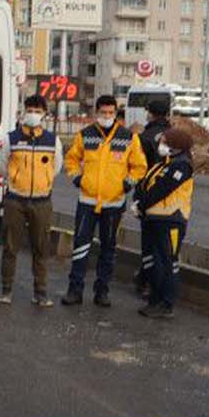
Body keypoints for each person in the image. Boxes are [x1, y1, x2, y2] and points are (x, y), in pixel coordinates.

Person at [62, 94, 148, 308]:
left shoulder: (129, 137)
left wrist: (127, 183)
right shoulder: (85, 135)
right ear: (96, 112)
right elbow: (71, 159)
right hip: (87, 201)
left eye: (110, 113)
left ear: (116, 114)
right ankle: (75, 290)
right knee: (81, 245)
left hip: (114, 203)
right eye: (103, 112)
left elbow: (139, 166)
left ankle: (102, 291)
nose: (107, 116)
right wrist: (77, 179)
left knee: (108, 248)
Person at [0, 94, 60, 307]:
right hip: (15, 200)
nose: (33, 114)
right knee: (10, 247)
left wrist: (44, 182)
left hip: (42, 202)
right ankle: (6, 290)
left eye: (38, 111)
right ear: (24, 112)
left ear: (44, 114)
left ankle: (40, 292)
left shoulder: (53, 141)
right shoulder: (11, 138)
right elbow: (2, 166)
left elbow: (56, 168)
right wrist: (15, 181)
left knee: (41, 248)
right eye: (30, 110)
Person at [135, 126, 195, 319]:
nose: (160, 145)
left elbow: (162, 189)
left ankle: (165, 302)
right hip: (153, 219)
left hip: (171, 220)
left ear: (176, 146)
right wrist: (139, 201)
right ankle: (154, 298)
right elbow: (144, 184)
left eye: (165, 142)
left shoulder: (182, 165)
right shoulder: (163, 164)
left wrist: (142, 205)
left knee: (167, 262)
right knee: (153, 261)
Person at [134, 93, 173, 301]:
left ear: (149, 114)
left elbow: (138, 167)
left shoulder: (145, 137)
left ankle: (146, 281)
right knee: (166, 245)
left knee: (149, 242)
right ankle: (159, 283)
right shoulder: (174, 135)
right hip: (172, 198)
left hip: (148, 192)